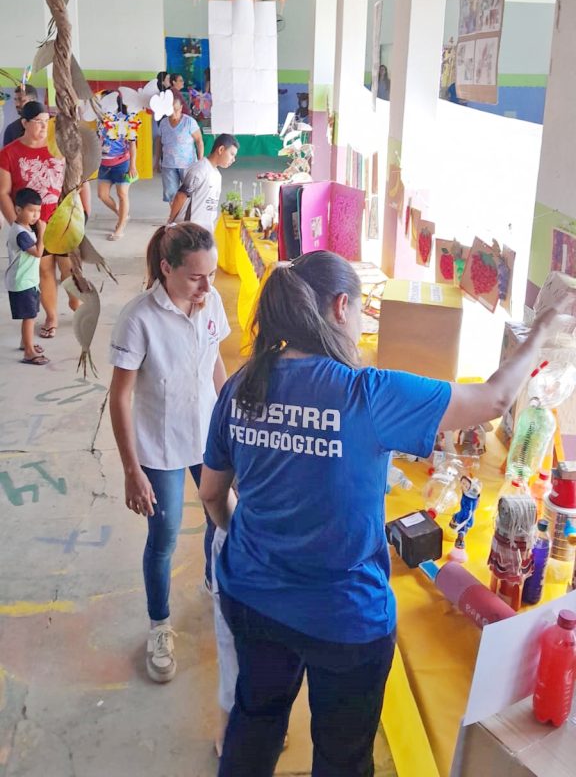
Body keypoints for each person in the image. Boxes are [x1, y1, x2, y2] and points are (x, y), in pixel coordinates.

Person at [200, 250, 564, 777]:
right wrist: (541, 332)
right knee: (342, 755)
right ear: (341, 307)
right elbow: (493, 398)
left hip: (253, 598)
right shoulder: (365, 393)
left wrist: (257, 543)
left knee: (254, 723)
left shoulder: (242, 385)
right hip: (344, 618)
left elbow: (212, 495)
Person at [109, 222, 230, 684]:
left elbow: (215, 361)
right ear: (166, 268)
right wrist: (131, 469)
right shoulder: (139, 318)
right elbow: (120, 397)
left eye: (213, 274)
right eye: (196, 276)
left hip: (207, 438)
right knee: (164, 536)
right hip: (158, 447)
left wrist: (230, 420)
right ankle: (160, 624)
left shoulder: (211, 302)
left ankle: (215, 584)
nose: (207, 285)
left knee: (222, 518)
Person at [0, 100, 78, 339]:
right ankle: (52, 316)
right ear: (24, 123)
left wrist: (82, 207)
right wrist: (18, 225)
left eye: (47, 122)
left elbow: (75, 179)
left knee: (69, 269)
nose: (45, 127)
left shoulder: (59, 147)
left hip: (62, 218)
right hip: (32, 224)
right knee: (44, 271)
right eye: (38, 123)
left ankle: (75, 301)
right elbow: (3, 191)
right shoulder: (9, 153)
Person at [5, 187, 48, 365]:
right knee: (29, 317)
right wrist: (43, 231)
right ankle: (29, 352)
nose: (35, 215)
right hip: (22, 282)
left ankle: (26, 342)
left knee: (30, 315)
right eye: (31, 211)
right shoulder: (21, 233)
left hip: (28, 280)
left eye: (38, 211)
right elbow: (38, 252)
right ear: (18, 210)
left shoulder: (24, 228)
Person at [167, 134, 239, 231]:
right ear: (221, 149)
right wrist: (171, 221)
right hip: (189, 229)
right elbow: (181, 196)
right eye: (232, 154)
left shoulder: (217, 175)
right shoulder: (200, 169)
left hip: (205, 230)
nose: (233, 159)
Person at [97, 94, 138, 241]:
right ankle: (122, 214)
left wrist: (132, 165)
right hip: (104, 163)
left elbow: (132, 144)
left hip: (122, 162)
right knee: (102, 195)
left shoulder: (126, 119)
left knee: (122, 194)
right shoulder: (100, 118)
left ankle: (120, 228)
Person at [154, 95, 204, 204]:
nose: (173, 113)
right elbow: (158, 142)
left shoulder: (189, 122)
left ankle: (187, 217)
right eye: (170, 111)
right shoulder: (163, 123)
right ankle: (174, 218)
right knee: (171, 194)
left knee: (189, 193)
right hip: (168, 165)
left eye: (176, 110)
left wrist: (200, 162)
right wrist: (157, 161)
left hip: (188, 165)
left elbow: (199, 141)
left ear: (181, 108)